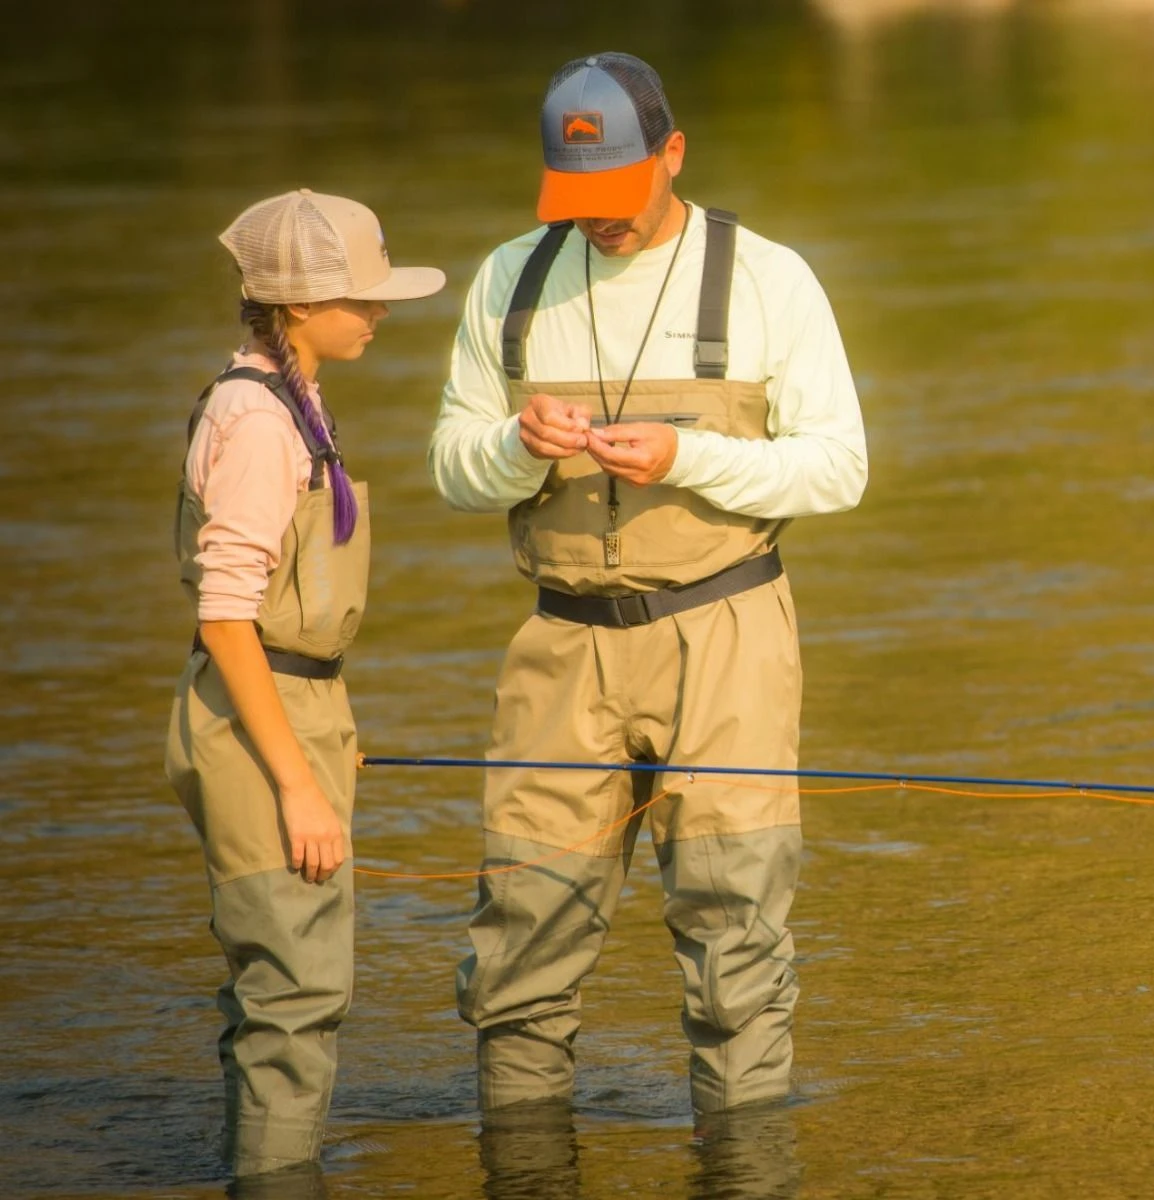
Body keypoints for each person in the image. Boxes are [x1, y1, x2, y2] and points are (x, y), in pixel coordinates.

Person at [429, 52, 868, 1116]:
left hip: (725, 632)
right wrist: (516, 448)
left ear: (673, 154)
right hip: (559, 645)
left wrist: (688, 457)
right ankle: (521, 1165)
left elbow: (838, 469)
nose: (600, 218)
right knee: (520, 939)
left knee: (735, 942)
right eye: (576, 197)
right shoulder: (508, 280)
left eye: (619, 191)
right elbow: (450, 466)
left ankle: (743, 1164)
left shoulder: (769, 279)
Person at [165, 189, 444, 1179]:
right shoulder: (258, 421)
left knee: (281, 987)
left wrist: (327, 736)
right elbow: (225, 616)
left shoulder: (290, 396)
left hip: (290, 705)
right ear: (294, 306)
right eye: (360, 296)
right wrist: (296, 781)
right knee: (295, 993)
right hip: (260, 712)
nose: (378, 311)